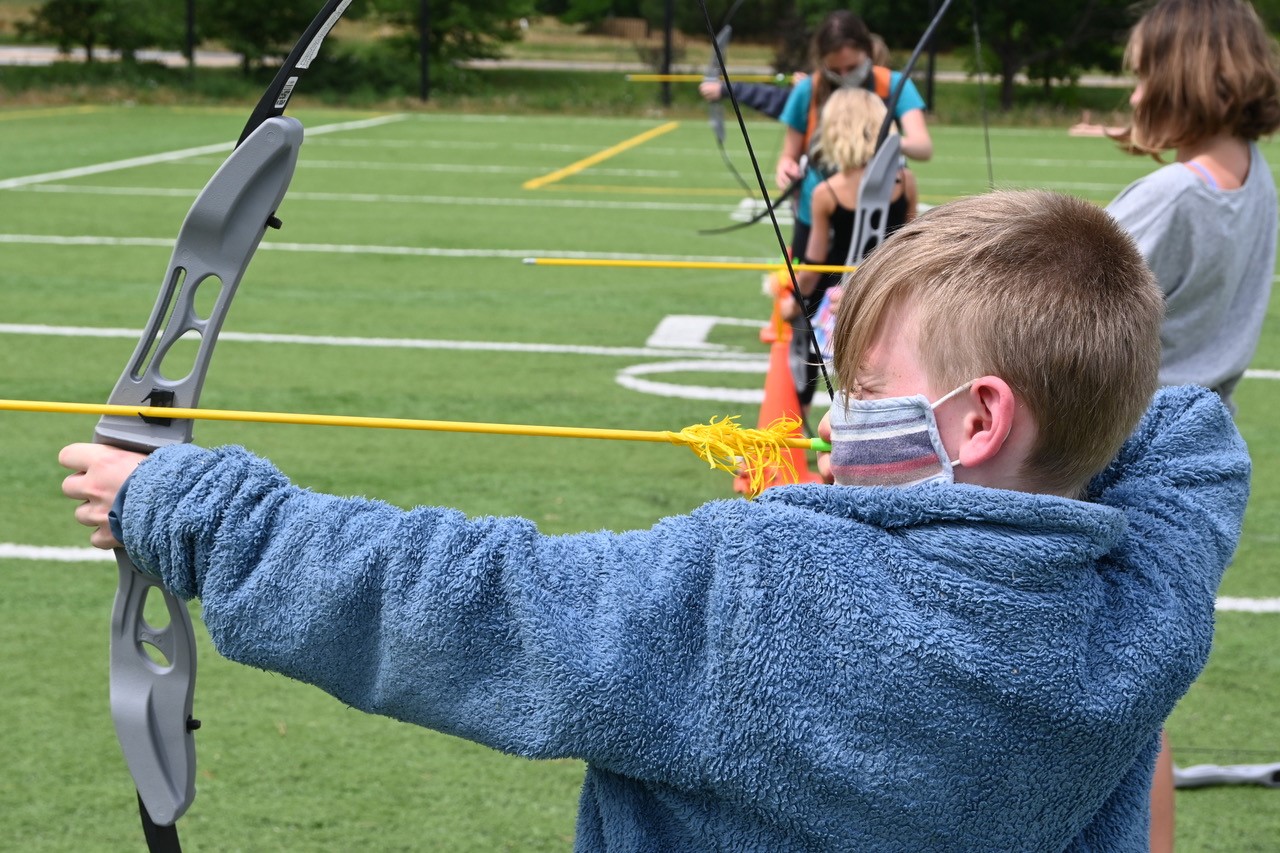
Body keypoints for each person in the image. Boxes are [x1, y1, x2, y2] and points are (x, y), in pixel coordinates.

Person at [60, 191, 1250, 851]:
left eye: (871, 397)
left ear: (979, 419)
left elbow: (474, 598)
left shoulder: (763, 586)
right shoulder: (1144, 594)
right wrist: (1072, 389)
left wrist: (189, 507)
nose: (837, 430)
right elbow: (1182, 430)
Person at [1105, 0, 1280, 415]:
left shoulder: (1173, 194)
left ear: (1183, 81)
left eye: (1145, 77)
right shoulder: (1257, 172)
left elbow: (1049, 303)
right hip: (1208, 429)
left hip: (1132, 439)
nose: (1136, 96)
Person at [789, 86, 916, 412]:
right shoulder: (905, 180)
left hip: (835, 298)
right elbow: (911, 245)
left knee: (804, 340)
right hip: (888, 295)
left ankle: (800, 417)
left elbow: (814, 266)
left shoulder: (827, 191)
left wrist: (792, 303)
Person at [775, 10, 932, 262]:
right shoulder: (808, 90)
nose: (846, 76)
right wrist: (786, 166)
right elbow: (789, 154)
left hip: (880, 209)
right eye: (836, 69)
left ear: (868, 52)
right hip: (817, 209)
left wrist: (881, 142)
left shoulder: (894, 84)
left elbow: (922, 146)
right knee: (811, 289)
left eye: (853, 67)